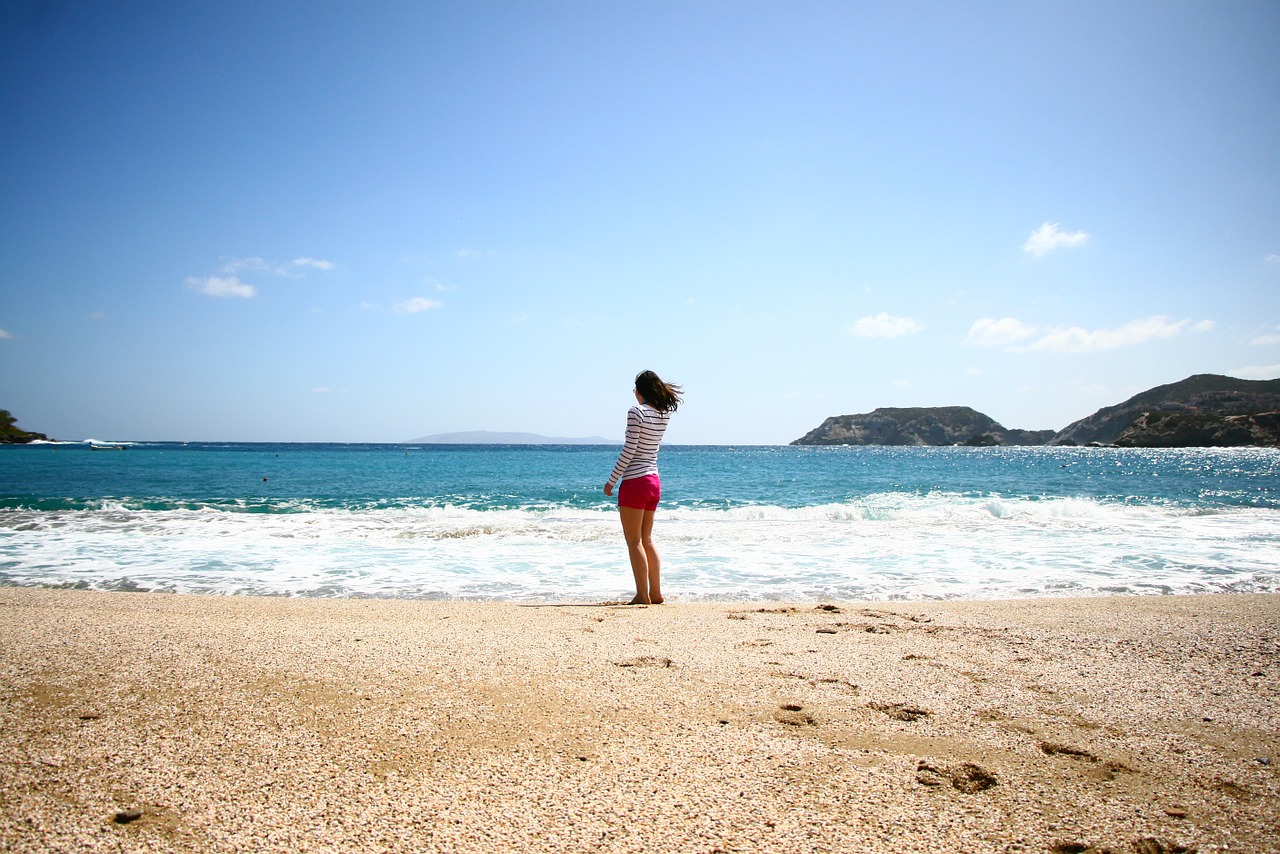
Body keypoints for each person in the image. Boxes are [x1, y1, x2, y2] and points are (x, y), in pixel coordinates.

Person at [603, 370, 683, 605]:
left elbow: (629, 450)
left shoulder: (636, 412)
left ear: (640, 390)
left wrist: (611, 480)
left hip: (636, 481)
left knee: (634, 541)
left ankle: (642, 595)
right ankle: (656, 593)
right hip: (653, 482)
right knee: (647, 540)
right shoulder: (662, 414)